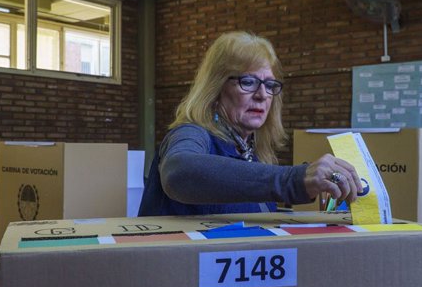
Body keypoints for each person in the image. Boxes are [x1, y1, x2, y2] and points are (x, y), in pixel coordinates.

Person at [138, 31, 362, 217]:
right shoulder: (191, 134)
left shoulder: (252, 153)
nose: (262, 94)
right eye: (248, 82)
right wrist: (292, 180)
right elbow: (179, 172)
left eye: (270, 84)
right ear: (215, 89)